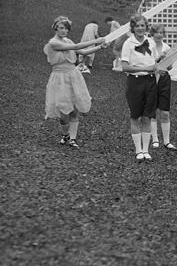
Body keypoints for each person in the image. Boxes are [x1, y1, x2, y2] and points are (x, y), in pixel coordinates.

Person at [43, 16, 105, 148]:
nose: (64, 31)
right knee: (63, 111)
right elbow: (77, 46)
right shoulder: (53, 42)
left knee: (74, 109)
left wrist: (100, 46)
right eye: (61, 28)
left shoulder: (67, 40)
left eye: (66, 28)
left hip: (73, 75)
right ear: (55, 28)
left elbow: (82, 51)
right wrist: (96, 39)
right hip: (59, 77)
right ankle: (65, 135)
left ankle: (73, 138)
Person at [120, 14, 161, 162]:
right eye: (137, 26)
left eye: (142, 25)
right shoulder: (128, 43)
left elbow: (155, 62)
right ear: (132, 27)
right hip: (135, 82)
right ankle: (138, 150)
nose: (140, 28)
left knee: (147, 116)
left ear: (146, 27)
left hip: (150, 82)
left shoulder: (151, 42)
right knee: (135, 116)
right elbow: (124, 67)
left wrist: (157, 68)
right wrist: (144, 68)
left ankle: (146, 150)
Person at [148, 24, 177, 151]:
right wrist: (158, 58)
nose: (159, 34)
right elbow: (147, 64)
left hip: (164, 79)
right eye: (156, 32)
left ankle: (167, 141)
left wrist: (167, 60)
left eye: (161, 32)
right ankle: (155, 139)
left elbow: (170, 67)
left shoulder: (167, 47)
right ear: (152, 34)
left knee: (165, 111)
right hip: (151, 78)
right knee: (152, 110)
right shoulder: (148, 46)